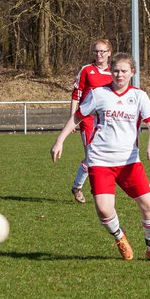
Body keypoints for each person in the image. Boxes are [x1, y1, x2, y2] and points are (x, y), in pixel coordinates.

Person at [50, 52, 150, 263]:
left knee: (148, 206)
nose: (119, 75)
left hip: (129, 162)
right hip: (100, 160)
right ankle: (119, 237)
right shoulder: (98, 94)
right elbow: (78, 116)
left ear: (132, 72)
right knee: (104, 209)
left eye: (124, 71)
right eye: (115, 71)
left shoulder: (139, 96)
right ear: (110, 71)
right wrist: (60, 140)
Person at [54, 38, 113, 203]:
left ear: (109, 53)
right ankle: (91, 189)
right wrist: (73, 117)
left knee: (100, 156)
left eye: (102, 51)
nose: (98, 54)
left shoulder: (114, 73)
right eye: (96, 51)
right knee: (92, 155)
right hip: (86, 119)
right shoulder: (87, 70)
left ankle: (77, 187)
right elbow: (76, 94)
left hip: (105, 120)